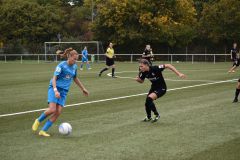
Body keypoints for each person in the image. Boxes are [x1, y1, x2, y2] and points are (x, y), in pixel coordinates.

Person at [32, 48, 89, 137]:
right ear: (69, 57)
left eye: (76, 59)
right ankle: (38, 120)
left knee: (58, 112)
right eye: (74, 59)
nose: (75, 61)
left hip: (64, 92)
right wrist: (55, 91)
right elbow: (54, 78)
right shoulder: (61, 65)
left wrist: (83, 88)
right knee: (52, 109)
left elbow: (75, 78)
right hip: (54, 88)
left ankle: (43, 131)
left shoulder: (74, 67)